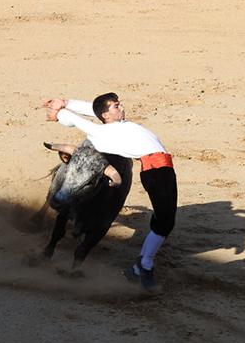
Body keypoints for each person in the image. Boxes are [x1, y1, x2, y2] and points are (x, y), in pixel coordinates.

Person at [42, 93, 177, 291]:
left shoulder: (119, 125)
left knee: (165, 222)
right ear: (106, 115)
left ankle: (142, 266)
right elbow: (78, 120)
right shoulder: (102, 133)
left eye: (119, 104)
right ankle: (143, 266)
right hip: (155, 171)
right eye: (116, 106)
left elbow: (93, 109)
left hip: (162, 168)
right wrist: (61, 113)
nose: (121, 107)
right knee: (165, 222)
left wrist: (67, 102)